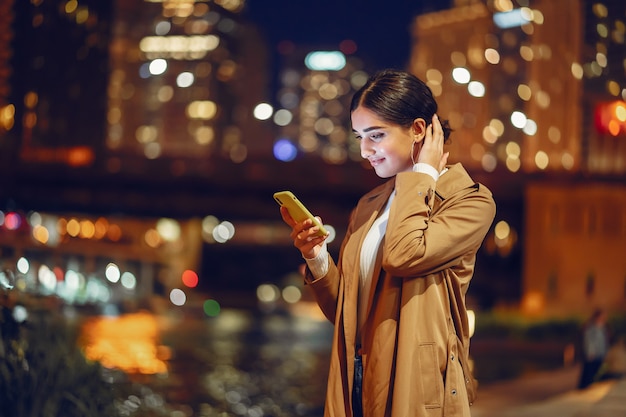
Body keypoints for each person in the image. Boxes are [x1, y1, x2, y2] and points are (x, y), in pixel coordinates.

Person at [279, 69, 496, 417]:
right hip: (356, 378)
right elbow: (346, 315)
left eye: (376, 135)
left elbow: (404, 255)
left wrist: (421, 175)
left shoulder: (469, 201)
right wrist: (318, 258)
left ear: (419, 130)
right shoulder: (369, 205)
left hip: (415, 383)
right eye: (359, 136)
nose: (365, 150)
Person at [578, 308, 610, 388]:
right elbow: (589, 341)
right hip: (592, 356)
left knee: (597, 373)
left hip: (601, 354)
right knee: (588, 374)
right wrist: (590, 353)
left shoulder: (603, 328)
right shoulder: (590, 328)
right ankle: (584, 388)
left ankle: (592, 387)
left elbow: (605, 342)